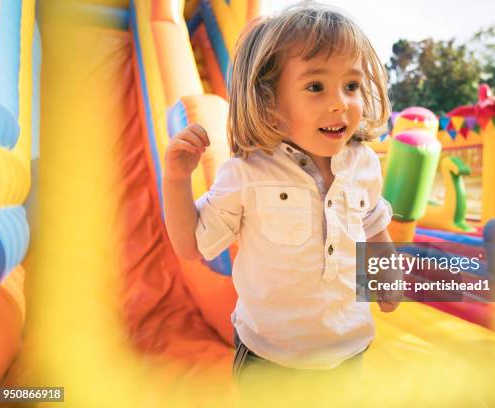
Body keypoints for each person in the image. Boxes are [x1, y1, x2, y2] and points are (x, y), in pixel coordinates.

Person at [163, 1, 398, 393]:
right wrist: (176, 179)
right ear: (270, 106)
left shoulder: (364, 164)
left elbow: (372, 221)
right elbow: (191, 245)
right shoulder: (248, 173)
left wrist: (386, 274)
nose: (340, 102)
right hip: (269, 360)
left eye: (352, 85)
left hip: (346, 351)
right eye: (316, 86)